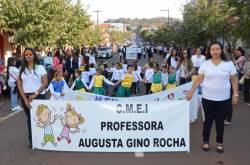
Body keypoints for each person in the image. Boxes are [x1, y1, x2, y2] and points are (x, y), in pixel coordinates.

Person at [186, 42, 238, 153]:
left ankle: (220, 142)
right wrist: (191, 92)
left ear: (221, 50)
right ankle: (205, 141)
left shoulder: (228, 64)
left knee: (220, 121)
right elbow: (199, 79)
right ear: (209, 51)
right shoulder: (205, 64)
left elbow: (234, 80)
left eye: (217, 49)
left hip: (223, 99)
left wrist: (235, 94)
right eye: (212, 49)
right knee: (208, 121)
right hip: (207, 98)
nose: (215, 51)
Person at [17, 48, 48, 148]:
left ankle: (44, 139)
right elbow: (19, 86)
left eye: (30, 54)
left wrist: (35, 94)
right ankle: (33, 141)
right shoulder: (21, 69)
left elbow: (45, 83)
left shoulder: (40, 68)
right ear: (24, 56)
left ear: (34, 55)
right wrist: (25, 99)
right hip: (26, 96)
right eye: (26, 54)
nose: (28, 56)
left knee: (42, 119)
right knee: (30, 119)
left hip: (39, 95)